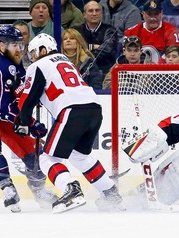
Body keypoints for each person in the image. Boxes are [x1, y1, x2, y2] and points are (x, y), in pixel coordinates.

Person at [14, 33, 125, 213]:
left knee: (47, 157)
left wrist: (23, 121)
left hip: (72, 110)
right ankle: (111, 194)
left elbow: (27, 100)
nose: (32, 57)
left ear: (43, 50)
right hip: (94, 108)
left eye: (34, 52)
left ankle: (71, 190)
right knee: (79, 156)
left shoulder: (38, 65)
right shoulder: (66, 61)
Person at [0, 25, 58, 212]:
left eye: (20, 44)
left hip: (4, 115)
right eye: (14, 45)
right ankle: (7, 187)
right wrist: (31, 124)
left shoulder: (11, 60)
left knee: (33, 151)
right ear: (1, 45)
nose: (19, 50)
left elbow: (18, 94)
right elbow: (3, 110)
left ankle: (39, 189)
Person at [73, 0, 118, 80]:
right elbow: (73, 50)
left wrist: (84, 50)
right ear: (84, 15)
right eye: (91, 11)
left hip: (104, 71)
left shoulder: (110, 30)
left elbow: (106, 50)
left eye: (97, 10)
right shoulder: (76, 30)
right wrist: (93, 46)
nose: (94, 13)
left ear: (101, 13)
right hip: (80, 71)